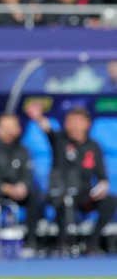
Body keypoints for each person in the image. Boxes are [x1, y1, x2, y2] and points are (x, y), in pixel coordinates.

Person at [25, 103, 117, 255]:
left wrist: (102, 185)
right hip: (60, 193)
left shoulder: (93, 147)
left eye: (77, 122)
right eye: (70, 122)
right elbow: (47, 129)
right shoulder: (60, 140)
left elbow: (102, 176)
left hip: (85, 195)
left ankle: (92, 242)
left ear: (87, 124)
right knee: (62, 200)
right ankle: (60, 244)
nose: (73, 126)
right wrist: (38, 117)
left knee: (111, 200)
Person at [0, 113, 40, 248]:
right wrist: (5, 188)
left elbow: (27, 175)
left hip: (18, 192)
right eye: (5, 127)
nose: (10, 130)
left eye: (13, 127)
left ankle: (31, 241)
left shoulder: (23, 151)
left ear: (18, 129)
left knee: (34, 195)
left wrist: (23, 186)